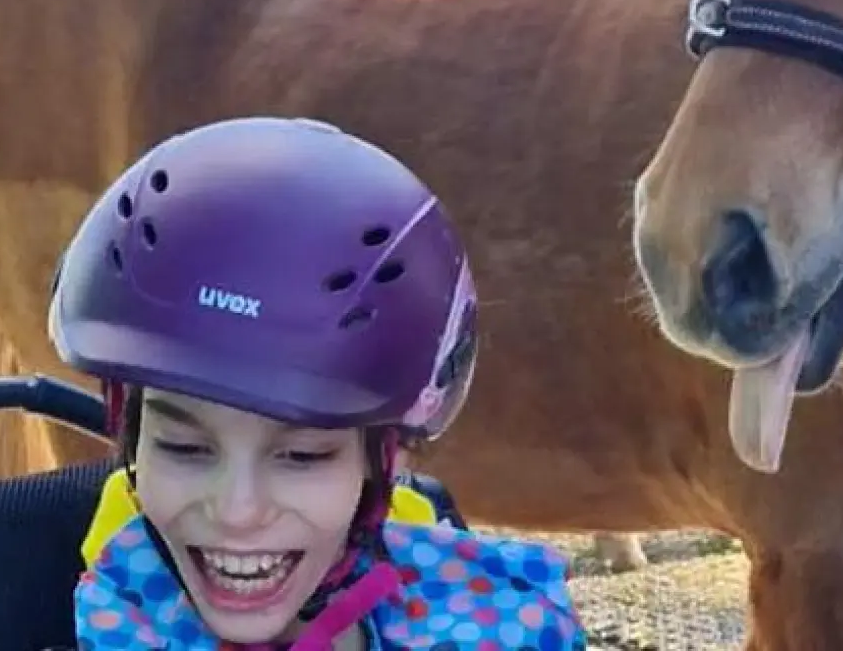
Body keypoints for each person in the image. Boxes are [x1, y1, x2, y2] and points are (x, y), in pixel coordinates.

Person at [49, 116, 587, 650]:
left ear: (387, 458)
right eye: (183, 447)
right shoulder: (107, 619)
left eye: (303, 456)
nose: (237, 513)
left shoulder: (504, 628)